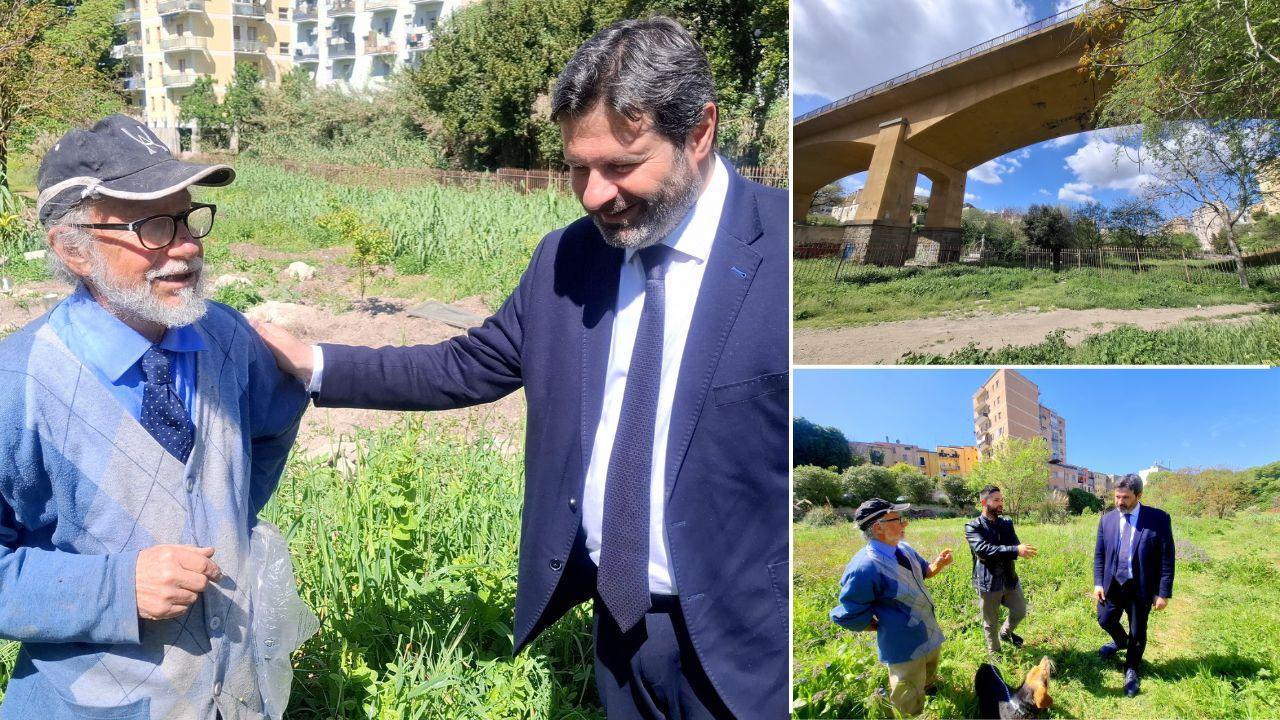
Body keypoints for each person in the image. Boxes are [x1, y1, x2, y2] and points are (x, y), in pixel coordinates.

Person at [252, 16, 788, 719]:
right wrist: (313, 361)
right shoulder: (569, 259)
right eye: (577, 168)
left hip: (756, 646)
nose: (595, 194)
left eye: (622, 167)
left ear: (700, 132)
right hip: (622, 633)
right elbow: (467, 364)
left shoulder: (781, 254)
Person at [0, 115, 309, 719]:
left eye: (189, 217)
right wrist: (116, 589)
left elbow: (273, 420)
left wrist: (229, 513)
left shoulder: (226, 336)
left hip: (232, 695)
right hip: (91, 705)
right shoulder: (19, 385)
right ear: (73, 248)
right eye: (153, 227)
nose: (188, 246)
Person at [831, 498, 954, 717]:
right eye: (898, 519)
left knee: (930, 670)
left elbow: (925, 570)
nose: (905, 524)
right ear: (878, 527)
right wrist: (876, 626)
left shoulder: (903, 548)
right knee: (907, 687)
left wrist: (938, 564)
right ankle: (911, 714)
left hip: (928, 631)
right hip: (903, 646)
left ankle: (929, 689)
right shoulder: (864, 567)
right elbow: (849, 612)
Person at [1093, 476, 1175, 697]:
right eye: (1117, 496)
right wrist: (1098, 583)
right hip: (1113, 585)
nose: (1120, 502)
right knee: (1105, 619)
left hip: (1141, 587)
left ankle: (1131, 668)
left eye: (1125, 498)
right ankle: (1120, 641)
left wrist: (1163, 592)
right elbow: (1100, 554)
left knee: (1138, 631)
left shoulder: (1158, 519)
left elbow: (1167, 558)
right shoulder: (1107, 519)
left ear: (1139, 496)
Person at [964, 485, 1037, 653]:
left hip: (1009, 578)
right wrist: (1012, 550)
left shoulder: (1006, 523)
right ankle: (994, 652)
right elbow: (983, 551)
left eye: (1001, 500)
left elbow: (1014, 545)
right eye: (996, 500)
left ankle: (1005, 634)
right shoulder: (973, 527)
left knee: (1020, 611)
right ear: (984, 502)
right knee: (990, 622)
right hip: (988, 583)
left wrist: (1011, 550)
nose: (1001, 504)